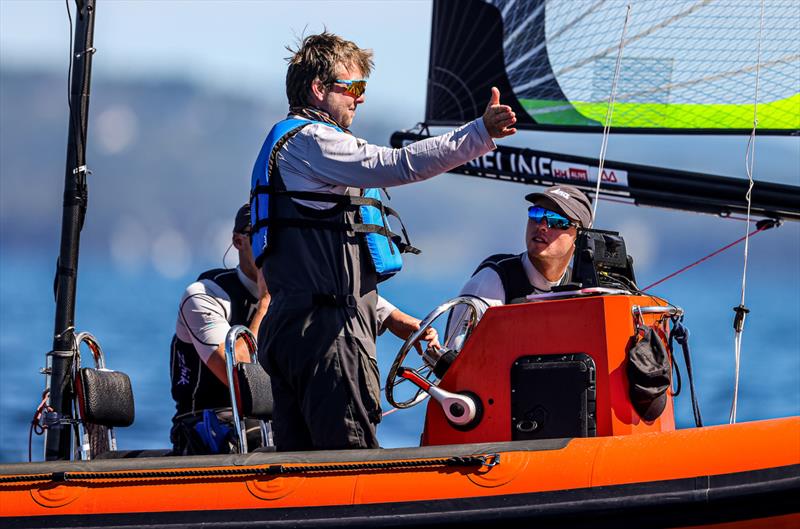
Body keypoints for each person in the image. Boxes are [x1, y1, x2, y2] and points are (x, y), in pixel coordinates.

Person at [250, 32, 516, 451]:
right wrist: (479, 133)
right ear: (319, 89)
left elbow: (305, 270)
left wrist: (387, 314)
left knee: (302, 471)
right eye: (353, 87)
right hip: (329, 340)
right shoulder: (314, 140)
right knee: (350, 467)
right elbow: (398, 164)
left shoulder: (282, 143)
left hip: (290, 332)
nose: (360, 99)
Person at [169, 203, 271, 455]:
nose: (269, 244)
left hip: (270, 424)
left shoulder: (294, 289)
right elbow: (236, 374)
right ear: (238, 241)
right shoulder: (204, 295)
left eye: (276, 234)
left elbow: (379, 309)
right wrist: (265, 305)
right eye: (260, 234)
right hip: (207, 430)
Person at [457, 184, 593, 308]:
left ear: (580, 237)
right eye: (537, 213)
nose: (542, 226)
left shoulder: (584, 290)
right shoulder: (493, 279)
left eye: (556, 220)